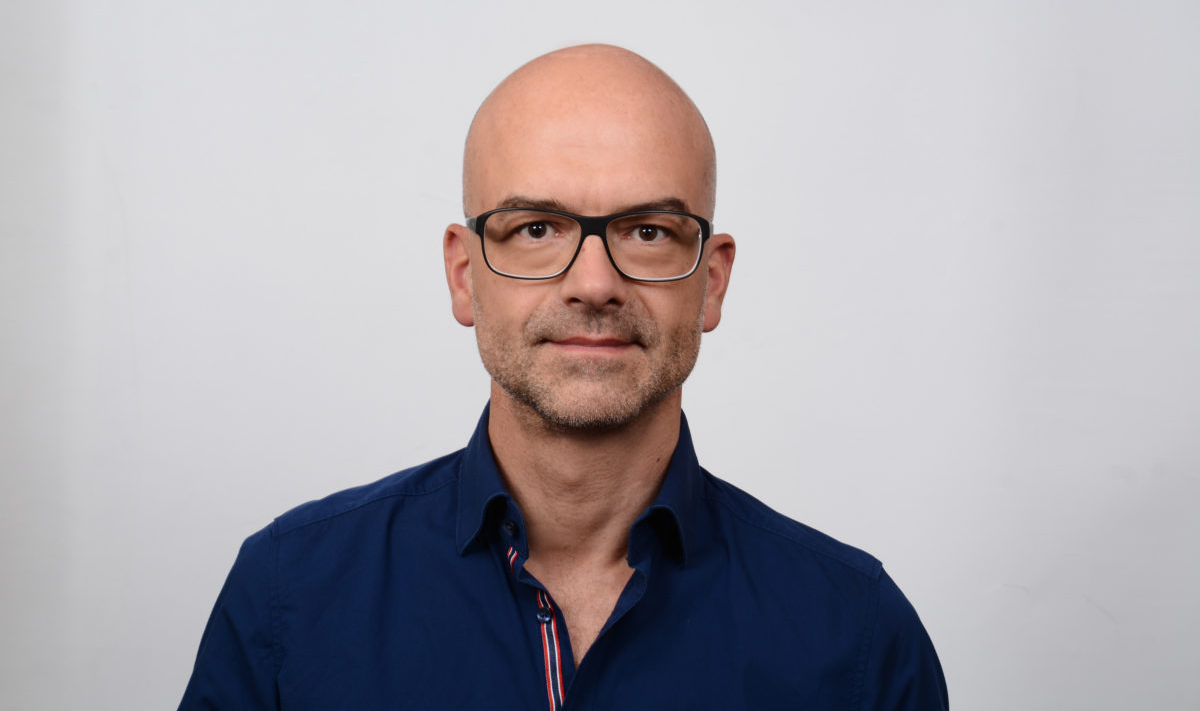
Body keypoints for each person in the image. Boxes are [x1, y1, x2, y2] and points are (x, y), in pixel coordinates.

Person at [178, 44, 949, 709]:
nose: (594, 284)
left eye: (648, 231)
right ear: (463, 275)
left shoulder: (858, 639)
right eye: (537, 228)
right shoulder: (289, 595)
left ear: (711, 282)